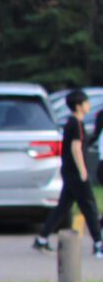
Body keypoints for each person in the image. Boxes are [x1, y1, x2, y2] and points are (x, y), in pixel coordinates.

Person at [34, 90, 103, 258]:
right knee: (89, 207)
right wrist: (83, 171)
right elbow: (75, 148)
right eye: (86, 103)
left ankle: (42, 238)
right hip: (75, 173)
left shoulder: (71, 123)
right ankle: (98, 244)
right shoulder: (76, 124)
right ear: (79, 106)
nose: (89, 106)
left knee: (63, 207)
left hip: (69, 172)